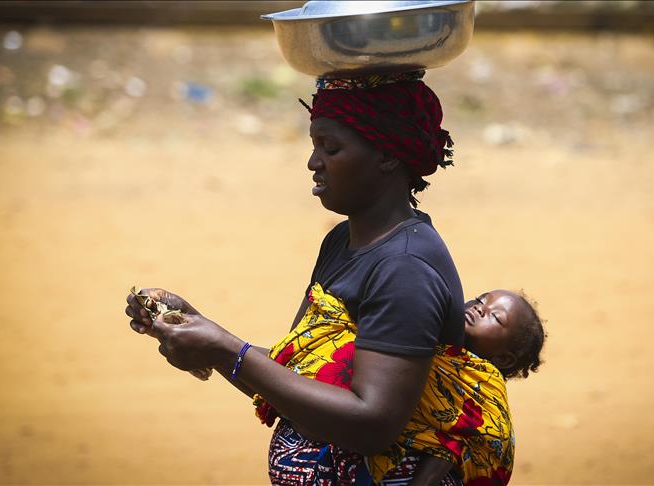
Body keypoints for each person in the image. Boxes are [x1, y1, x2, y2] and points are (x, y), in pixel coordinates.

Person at [126, 70, 469, 484]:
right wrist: (201, 331)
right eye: (314, 144)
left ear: (387, 155)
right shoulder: (344, 241)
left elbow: (373, 423)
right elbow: (299, 377)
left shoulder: (405, 269)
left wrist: (227, 351)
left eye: (332, 147)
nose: (313, 162)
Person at [252, 285, 545, 485]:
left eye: (494, 316)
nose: (479, 308)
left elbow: (463, 443)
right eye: (481, 300)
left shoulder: (484, 387)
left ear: (504, 358)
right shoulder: (425, 343)